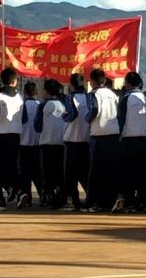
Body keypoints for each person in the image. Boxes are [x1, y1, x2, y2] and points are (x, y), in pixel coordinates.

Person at [113, 72, 146, 213]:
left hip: (129, 140)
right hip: (145, 140)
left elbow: (121, 120)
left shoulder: (126, 99)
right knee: (142, 173)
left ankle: (129, 202)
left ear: (128, 83)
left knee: (128, 173)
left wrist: (118, 138)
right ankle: (143, 201)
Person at [0, 68, 24, 211]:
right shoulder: (20, 97)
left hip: (0, 135)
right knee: (12, 167)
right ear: (15, 81)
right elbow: (24, 117)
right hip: (15, 135)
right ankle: (18, 191)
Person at [85, 69, 120, 212]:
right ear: (104, 80)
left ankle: (92, 202)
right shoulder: (113, 95)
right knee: (110, 170)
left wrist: (86, 119)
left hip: (98, 134)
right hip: (113, 134)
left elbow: (93, 110)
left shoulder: (93, 94)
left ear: (92, 81)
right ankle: (109, 200)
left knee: (95, 170)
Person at [34, 79, 67, 209]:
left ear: (46, 91)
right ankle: (60, 197)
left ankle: (48, 198)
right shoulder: (64, 104)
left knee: (47, 173)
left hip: (46, 143)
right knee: (59, 172)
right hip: (61, 143)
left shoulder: (42, 106)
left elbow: (37, 126)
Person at [62, 73, 91, 211]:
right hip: (86, 139)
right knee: (85, 172)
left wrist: (63, 116)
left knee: (70, 174)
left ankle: (73, 202)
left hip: (72, 139)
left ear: (71, 85)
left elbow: (72, 115)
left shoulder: (70, 98)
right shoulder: (89, 98)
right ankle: (90, 200)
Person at [17, 81, 42, 209]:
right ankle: (43, 195)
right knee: (37, 172)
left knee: (24, 173)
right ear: (36, 92)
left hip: (23, 144)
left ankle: (26, 196)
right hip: (37, 145)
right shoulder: (40, 105)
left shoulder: (22, 106)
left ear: (24, 93)